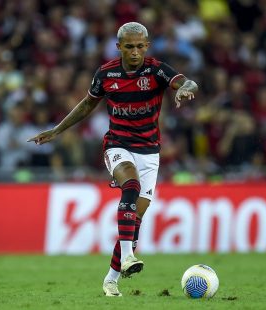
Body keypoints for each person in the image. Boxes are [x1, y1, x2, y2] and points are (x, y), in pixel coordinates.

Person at [27, 22, 198, 297]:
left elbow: (187, 81)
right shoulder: (106, 74)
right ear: (119, 47)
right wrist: (57, 130)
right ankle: (130, 257)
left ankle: (110, 280)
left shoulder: (157, 70)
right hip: (117, 144)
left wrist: (182, 89)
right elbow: (87, 104)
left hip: (150, 151)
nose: (134, 51)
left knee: (135, 220)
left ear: (147, 46)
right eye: (129, 46)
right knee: (130, 185)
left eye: (140, 46)